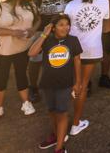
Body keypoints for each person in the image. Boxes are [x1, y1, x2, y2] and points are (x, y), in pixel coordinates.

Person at [28, 14, 82, 153]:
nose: (65, 27)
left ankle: (59, 147)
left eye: (67, 24)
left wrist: (78, 83)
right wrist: (44, 35)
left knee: (62, 113)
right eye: (61, 25)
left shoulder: (73, 40)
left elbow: (77, 61)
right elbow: (32, 53)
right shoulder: (47, 40)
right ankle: (56, 135)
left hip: (65, 84)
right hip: (47, 83)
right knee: (52, 112)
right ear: (53, 28)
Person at [0, 0, 39, 123]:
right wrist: (13, 32)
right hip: (4, 49)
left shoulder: (29, 4)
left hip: (23, 47)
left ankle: (26, 103)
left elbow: (38, 19)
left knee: (21, 74)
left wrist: (32, 30)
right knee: (0, 78)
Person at [27, 0, 77, 103]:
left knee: (61, 56)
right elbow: (31, 2)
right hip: (42, 26)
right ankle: (33, 87)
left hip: (61, 26)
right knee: (35, 59)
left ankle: (62, 84)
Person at [63, 0, 110, 136]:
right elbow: (105, 19)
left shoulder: (70, 5)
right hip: (92, 49)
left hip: (74, 49)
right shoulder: (104, 2)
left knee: (73, 83)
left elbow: (67, 27)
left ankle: (64, 119)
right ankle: (75, 124)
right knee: (82, 84)